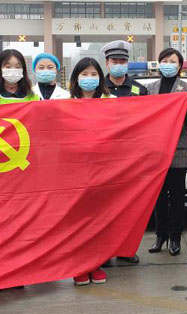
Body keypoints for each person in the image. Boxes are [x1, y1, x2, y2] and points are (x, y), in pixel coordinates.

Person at [145, 48, 187, 256]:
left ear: (180, 65)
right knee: (158, 198)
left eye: (172, 61)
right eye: (164, 61)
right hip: (156, 151)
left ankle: (175, 238)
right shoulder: (150, 89)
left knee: (177, 198)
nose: (168, 64)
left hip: (178, 150)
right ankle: (160, 235)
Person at [99, 40, 145, 265]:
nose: (119, 64)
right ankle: (104, 252)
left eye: (122, 61)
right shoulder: (98, 88)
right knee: (105, 208)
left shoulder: (139, 89)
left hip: (131, 158)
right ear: (107, 63)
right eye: (115, 61)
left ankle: (126, 249)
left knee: (129, 207)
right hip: (104, 158)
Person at [68, 57, 112, 286]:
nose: (89, 78)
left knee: (100, 221)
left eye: (93, 74)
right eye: (84, 74)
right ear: (76, 78)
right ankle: (80, 266)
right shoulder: (65, 104)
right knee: (78, 221)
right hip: (75, 172)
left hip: (105, 171)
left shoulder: (112, 102)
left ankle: (97, 264)